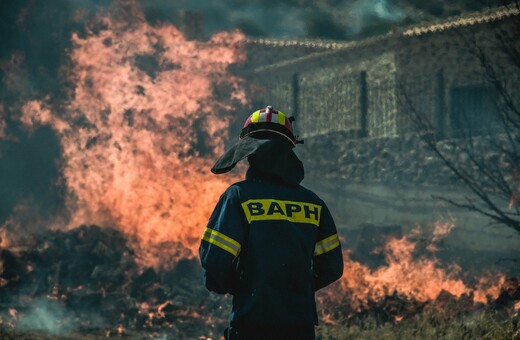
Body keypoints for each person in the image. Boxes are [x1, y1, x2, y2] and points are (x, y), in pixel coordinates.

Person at [199, 106, 344, 340]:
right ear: (289, 150)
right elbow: (332, 267)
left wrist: (247, 287)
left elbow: (216, 264)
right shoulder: (313, 203)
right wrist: (294, 287)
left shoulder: (238, 197)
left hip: (252, 323)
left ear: (249, 153)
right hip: (300, 326)